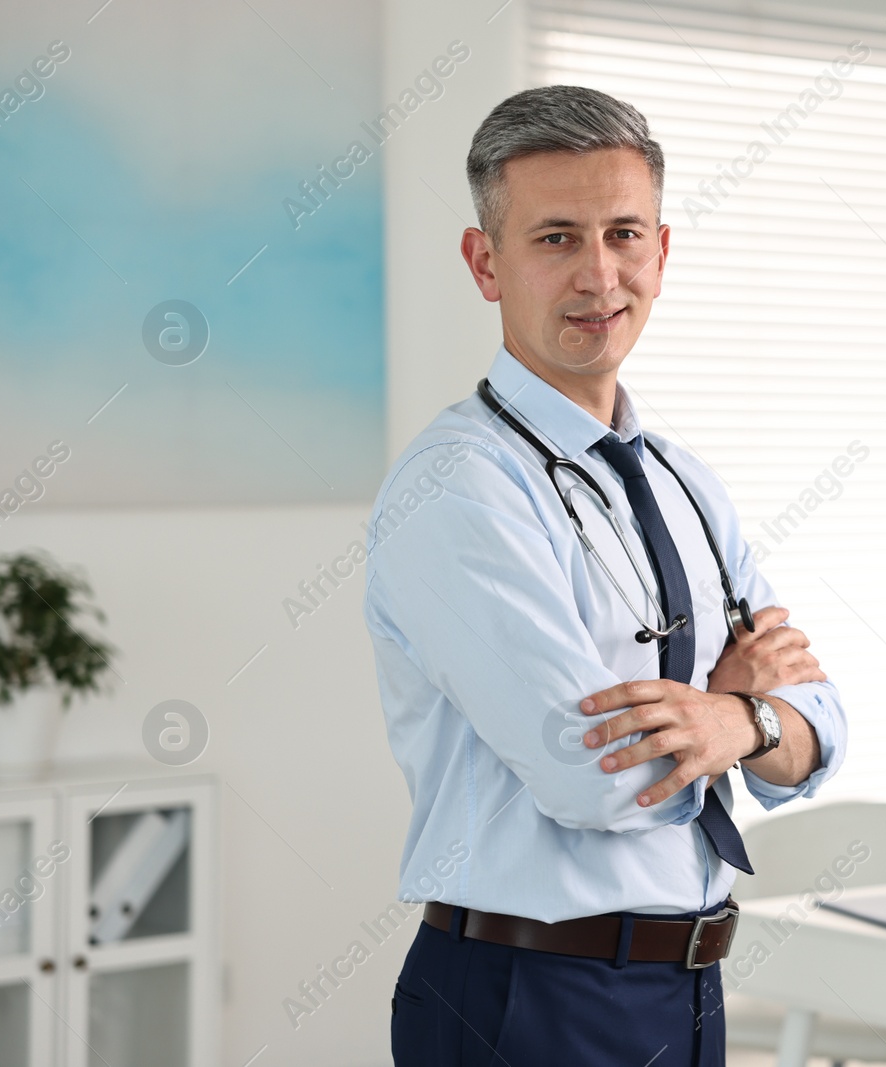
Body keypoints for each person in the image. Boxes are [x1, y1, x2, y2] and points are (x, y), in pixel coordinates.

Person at [363, 84, 849, 1067]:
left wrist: (739, 720)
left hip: (689, 987)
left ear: (661, 253)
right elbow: (594, 772)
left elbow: (820, 723)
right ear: (484, 262)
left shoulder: (682, 482)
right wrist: (741, 721)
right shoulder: (457, 488)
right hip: (526, 996)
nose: (599, 272)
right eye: (554, 238)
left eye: (624, 232)